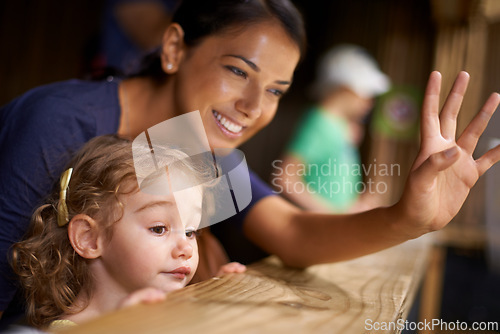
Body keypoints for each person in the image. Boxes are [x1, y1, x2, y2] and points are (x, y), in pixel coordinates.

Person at [1, 0, 500, 325]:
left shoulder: (195, 150)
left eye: (277, 90)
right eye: (238, 70)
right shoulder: (61, 124)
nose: (254, 105)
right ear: (174, 48)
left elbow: (294, 234)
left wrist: (408, 220)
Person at [9, 135, 245, 330]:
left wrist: (219, 301)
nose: (185, 249)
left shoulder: (164, 310)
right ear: (89, 238)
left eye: (190, 231)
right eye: (159, 229)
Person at [273, 44, 391, 213]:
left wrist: (355, 205)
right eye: (367, 94)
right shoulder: (320, 124)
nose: (370, 102)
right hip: (320, 229)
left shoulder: (341, 126)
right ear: (345, 89)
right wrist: (334, 217)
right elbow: (285, 178)